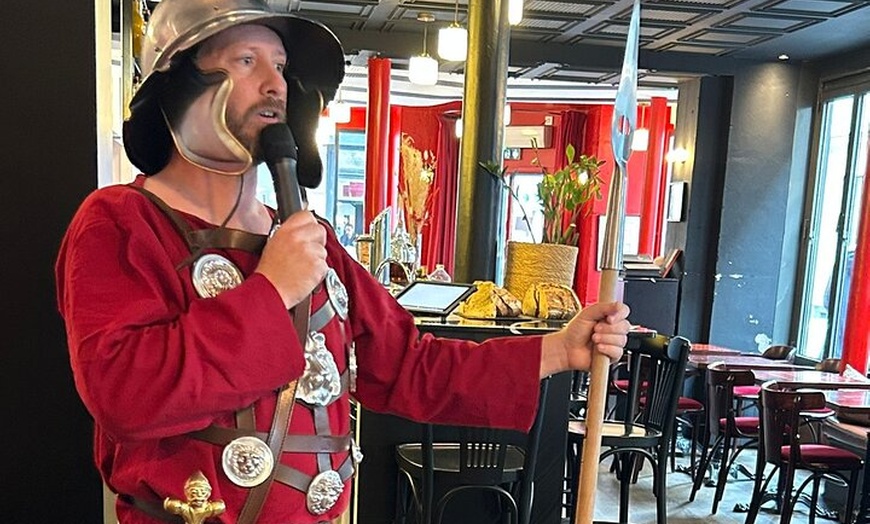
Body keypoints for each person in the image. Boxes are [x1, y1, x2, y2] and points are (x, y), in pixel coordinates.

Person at [55, 1, 631, 522]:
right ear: (179, 84)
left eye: (280, 66)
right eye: (247, 61)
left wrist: (558, 350)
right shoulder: (121, 222)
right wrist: (271, 290)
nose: (274, 84)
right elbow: (125, 395)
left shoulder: (311, 240)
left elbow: (409, 365)